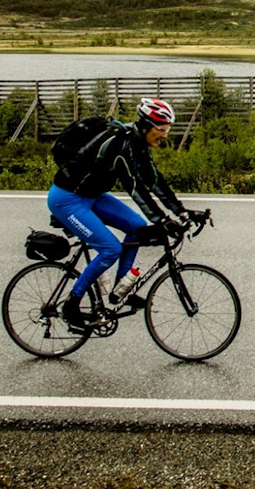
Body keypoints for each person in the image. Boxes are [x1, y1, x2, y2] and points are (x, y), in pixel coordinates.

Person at [46, 97, 204, 329]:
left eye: (167, 130)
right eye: (161, 130)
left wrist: (182, 212)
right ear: (146, 126)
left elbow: (154, 180)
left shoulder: (138, 143)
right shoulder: (119, 146)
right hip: (67, 200)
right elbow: (135, 188)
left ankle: (122, 290)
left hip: (92, 195)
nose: (165, 135)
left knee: (137, 228)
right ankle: (71, 304)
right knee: (110, 249)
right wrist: (162, 220)